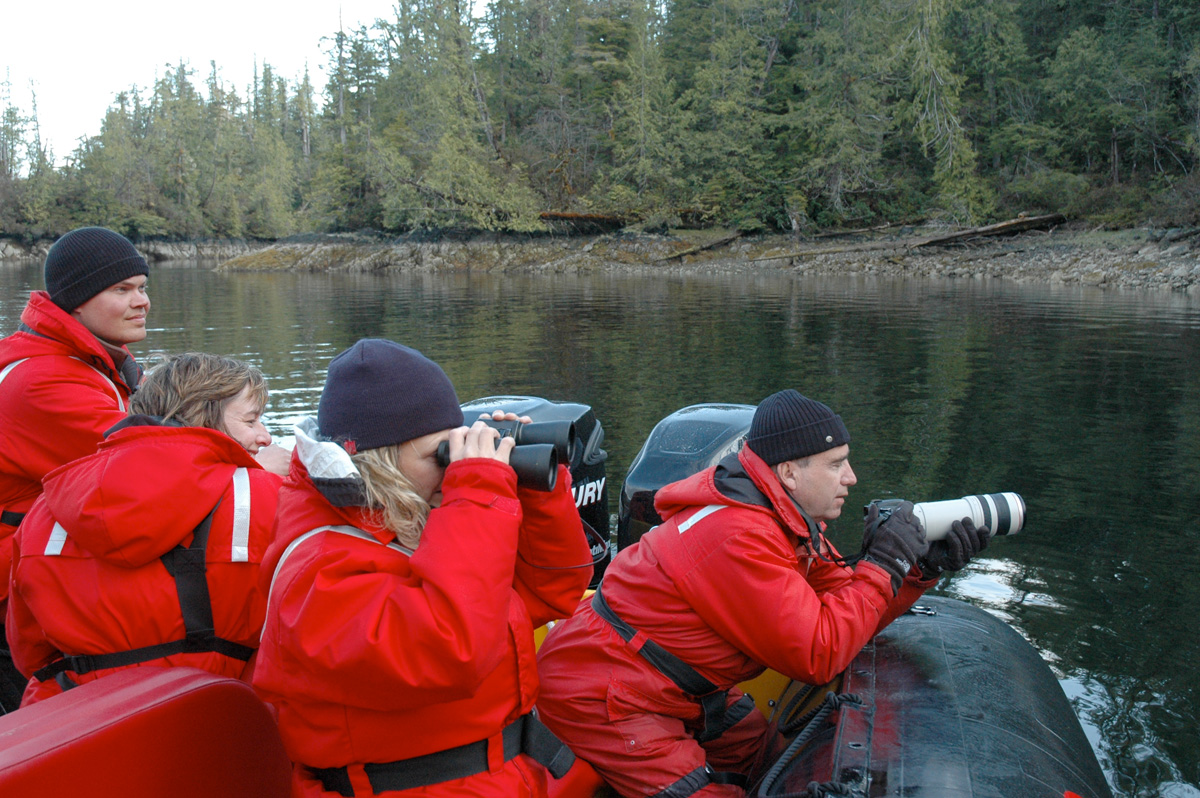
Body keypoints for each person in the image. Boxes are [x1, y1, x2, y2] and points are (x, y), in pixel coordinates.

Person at [535, 389, 990, 797]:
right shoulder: (739, 535)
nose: (851, 477)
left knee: (773, 757)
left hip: (679, 686)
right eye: (836, 464)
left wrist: (915, 570)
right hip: (604, 693)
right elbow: (819, 653)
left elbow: (851, 612)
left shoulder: (784, 521)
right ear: (788, 472)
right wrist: (883, 563)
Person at [251, 338, 592, 798]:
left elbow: (554, 590)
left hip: (501, 778)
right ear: (380, 461)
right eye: (440, 454)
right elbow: (451, 652)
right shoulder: (316, 571)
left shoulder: (415, 525)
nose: (454, 466)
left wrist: (531, 495)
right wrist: (479, 491)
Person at [5, 353, 284, 706]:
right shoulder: (264, 497)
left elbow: (29, 651)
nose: (265, 436)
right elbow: (295, 632)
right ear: (203, 416)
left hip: (79, 718)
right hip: (218, 713)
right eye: (251, 420)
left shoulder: (47, 509)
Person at [0, 226, 151, 709]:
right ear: (77, 302)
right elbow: (145, 466)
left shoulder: (91, 359)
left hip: (39, 574)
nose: (142, 302)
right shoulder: (42, 380)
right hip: (12, 597)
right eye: (121, 290)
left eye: (142, 287)